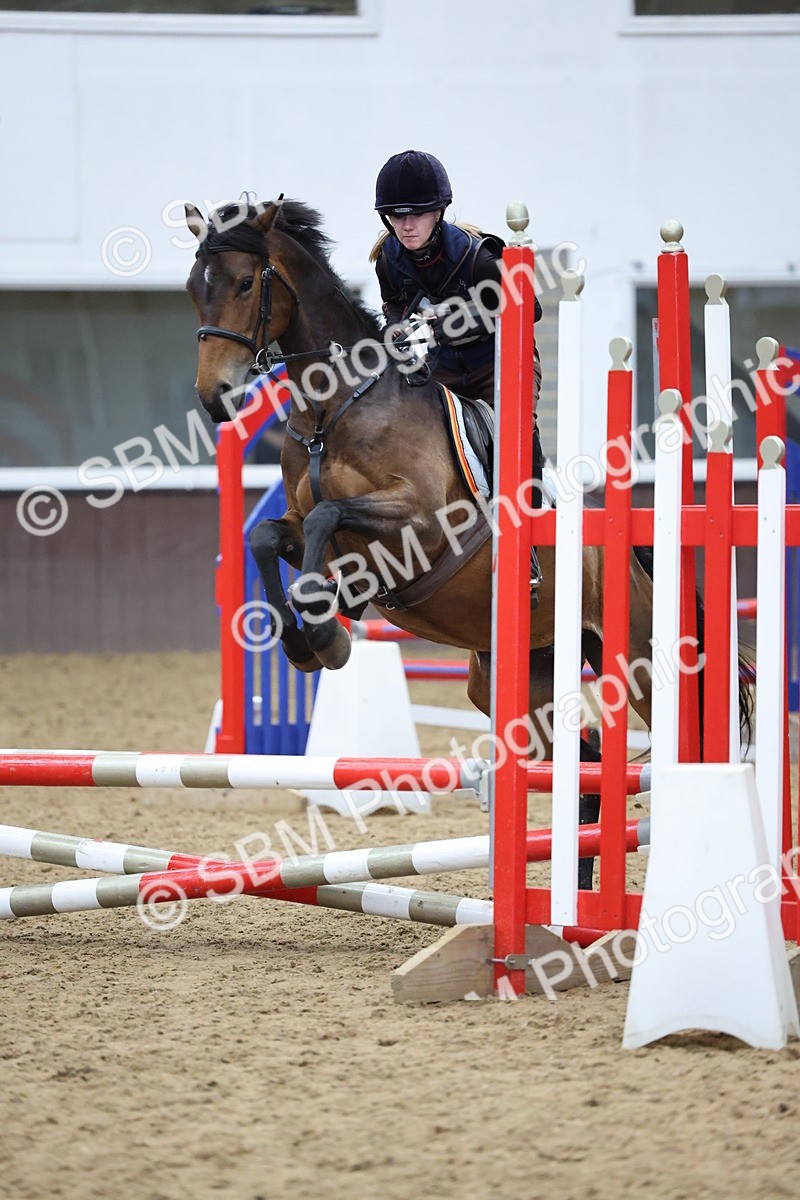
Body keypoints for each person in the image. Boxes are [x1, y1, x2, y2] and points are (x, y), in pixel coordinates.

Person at [371, 148, 545, 586]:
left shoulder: (478, 257)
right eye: (396, 215)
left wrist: (445, 316)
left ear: (439, 212)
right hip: (445, 364)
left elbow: (532, 309)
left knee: (514, 432)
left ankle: (532, 540)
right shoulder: (390, 260)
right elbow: (393, 307)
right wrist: (399, 331)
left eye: (417, 215)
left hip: (500, 358)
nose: (405, 225)